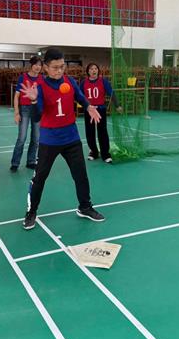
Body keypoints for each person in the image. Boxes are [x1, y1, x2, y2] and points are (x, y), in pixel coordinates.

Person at [20, 48, 105, 230]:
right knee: (40, 178)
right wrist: (34, 101)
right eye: (55, 67)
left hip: (71, 138)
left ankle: (85, 207)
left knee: (80, 175)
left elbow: (80, 97)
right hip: (49, 140)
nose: (59, 71)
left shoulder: (70, 81)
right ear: (45, 67)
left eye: (62, 66)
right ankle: (31, 212)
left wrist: (89, 106)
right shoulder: (40, 87)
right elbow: (36, 117)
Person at [80, 63, 122, 163]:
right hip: (89, 110)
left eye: (95, 68)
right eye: (91, 69)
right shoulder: (83, 82)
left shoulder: (103, 81)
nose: (94, 70)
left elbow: (111, 93)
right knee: (90, 132)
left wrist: (117, 105)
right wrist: (85, 106)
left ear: (98, 70)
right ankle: (93, 152)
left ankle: (105, 154)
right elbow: (79, 95)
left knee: (102, 132)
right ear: (88, 71)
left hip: (100, 109)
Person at [10, 56, 43, 172]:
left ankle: (31, 161)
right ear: (31, 65)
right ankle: (15, 163)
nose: (38, 67)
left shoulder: (42, 79)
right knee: (22, 138)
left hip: (37, 109)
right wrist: (16, 113)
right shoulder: (23, 77)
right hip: (24, 109)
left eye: (40, 65)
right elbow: (16, 96)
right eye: (36, 64)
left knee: (36, 138)